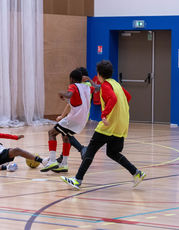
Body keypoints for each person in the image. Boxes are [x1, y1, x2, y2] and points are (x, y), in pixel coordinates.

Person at [61, 60, 146, 189]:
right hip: (121, 125)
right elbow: (127, 97)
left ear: (99, 74)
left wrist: (105, 114)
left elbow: (113, 98)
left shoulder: (106, 86)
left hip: (108, 125)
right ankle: (136, 173)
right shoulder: (116, 84)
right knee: (113, 153)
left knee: (90, 151)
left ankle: (78, 179)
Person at [41, 69, 94, 173]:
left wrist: (62, 93)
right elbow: (96, 89)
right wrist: (90, 80)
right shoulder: (87, 87)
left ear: (71, 79)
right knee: (66, 136)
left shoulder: (73, 86)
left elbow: (69, 95)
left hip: (73, 118)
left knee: (51, 133)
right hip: (82, 120)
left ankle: (52, 161)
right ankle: (64, 164)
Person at [56, 67, 95, 163]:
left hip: (77, 115)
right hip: (85, 115)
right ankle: (63, 157)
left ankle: (81, 148)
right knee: (66, 134)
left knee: (63, 132)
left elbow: (70, 105)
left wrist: (62, 116)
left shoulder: (79, 86)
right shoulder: (88, 86)